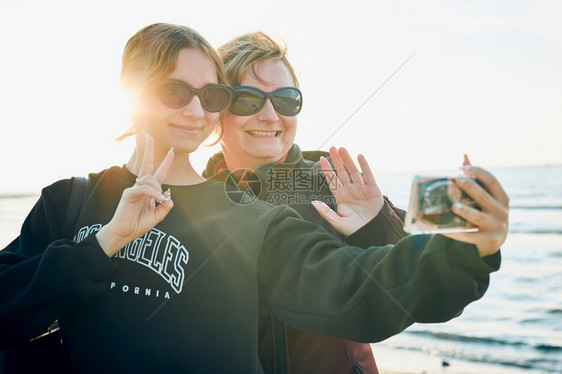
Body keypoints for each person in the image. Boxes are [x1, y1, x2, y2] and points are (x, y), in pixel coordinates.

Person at [0, 23, 509, 373]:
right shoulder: (68, 202)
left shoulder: (259, 210)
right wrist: (103, 243)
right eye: (177, 91)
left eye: (212, 95)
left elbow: (359, 288)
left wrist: (466, 249)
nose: (196, 108)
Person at [203, 31, 408, 373]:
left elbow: (403, 299)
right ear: (216, 106)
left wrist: (375, 229)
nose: (270, 115)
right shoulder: (196, 202)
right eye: (247, 99)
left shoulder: (335, 184)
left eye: (285, 99)